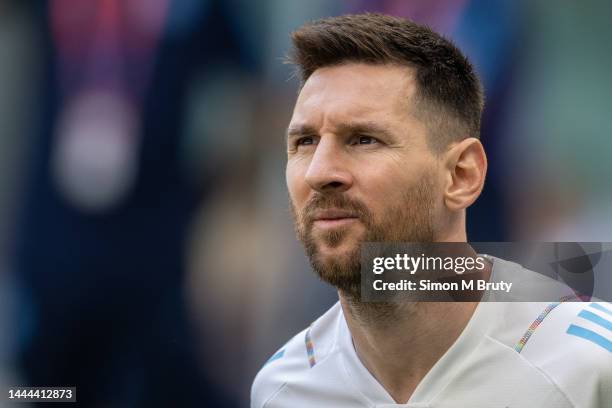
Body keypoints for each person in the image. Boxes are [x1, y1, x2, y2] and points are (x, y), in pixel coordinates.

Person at [251, 13, 612, 407]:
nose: (320, 172)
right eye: (305, 142)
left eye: (364, 140)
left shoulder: (588, 368)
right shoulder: (283, 388)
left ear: (461, 175)